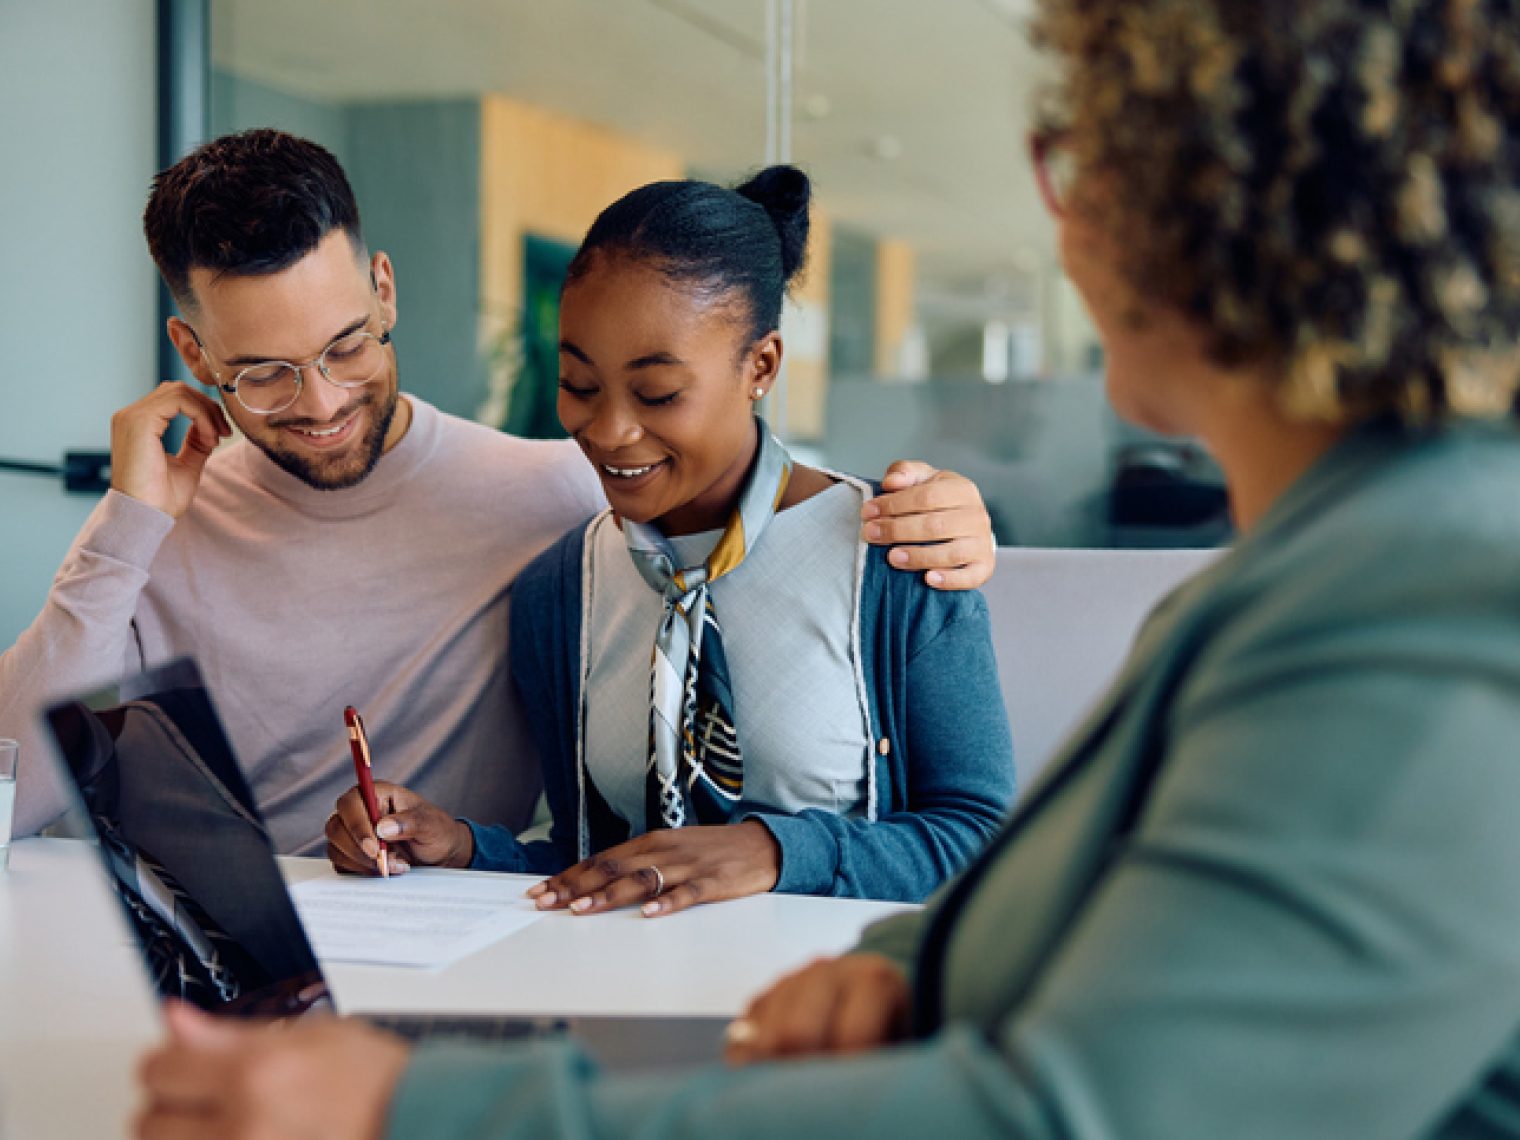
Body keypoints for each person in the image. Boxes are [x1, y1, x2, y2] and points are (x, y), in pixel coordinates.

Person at [137, 1, 1520, 1136]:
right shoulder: (1291, 585)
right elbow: (1106, 913)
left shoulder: (1426, 611)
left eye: (1081, 162)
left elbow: (1067, 1108)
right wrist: (906, 973)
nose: (1067, 218)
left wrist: (411, 1107)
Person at [0, 128, 999, 854]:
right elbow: (14, 792)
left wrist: (944, 515)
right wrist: (127, 526)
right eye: (261, 371)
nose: (321, 402)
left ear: (385, 290)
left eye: (347, 344)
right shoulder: (159, 525)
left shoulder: (559, 497)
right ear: (191, 350)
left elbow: (733, 482)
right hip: (245, 973)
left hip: (462, 973)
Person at [323, 168, 1016, 912]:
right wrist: (460, 846)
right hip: (636, 1001)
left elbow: (984, 842)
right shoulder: (562, 590)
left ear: (762, 366)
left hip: (836, 1003)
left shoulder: (896, 553)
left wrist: (774, 851)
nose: (610, 430)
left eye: (657, 394)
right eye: (579, 385)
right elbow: (595, 860)